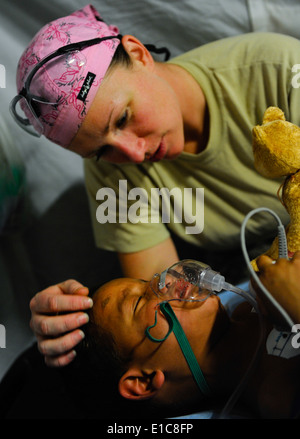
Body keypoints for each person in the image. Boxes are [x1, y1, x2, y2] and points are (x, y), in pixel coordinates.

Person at [13, 5, 300, 364]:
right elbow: (173, 321)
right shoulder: (111, 176)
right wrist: (85, 328)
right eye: (102, 151)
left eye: (123, 117)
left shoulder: (276, 71)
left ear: (138, 52)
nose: (134, 153)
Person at [58, 253, 300, 419]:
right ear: (143, 382)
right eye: (139, 302)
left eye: (146, 281)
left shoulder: (247, 301)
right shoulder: (279, 393)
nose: (162, 282)